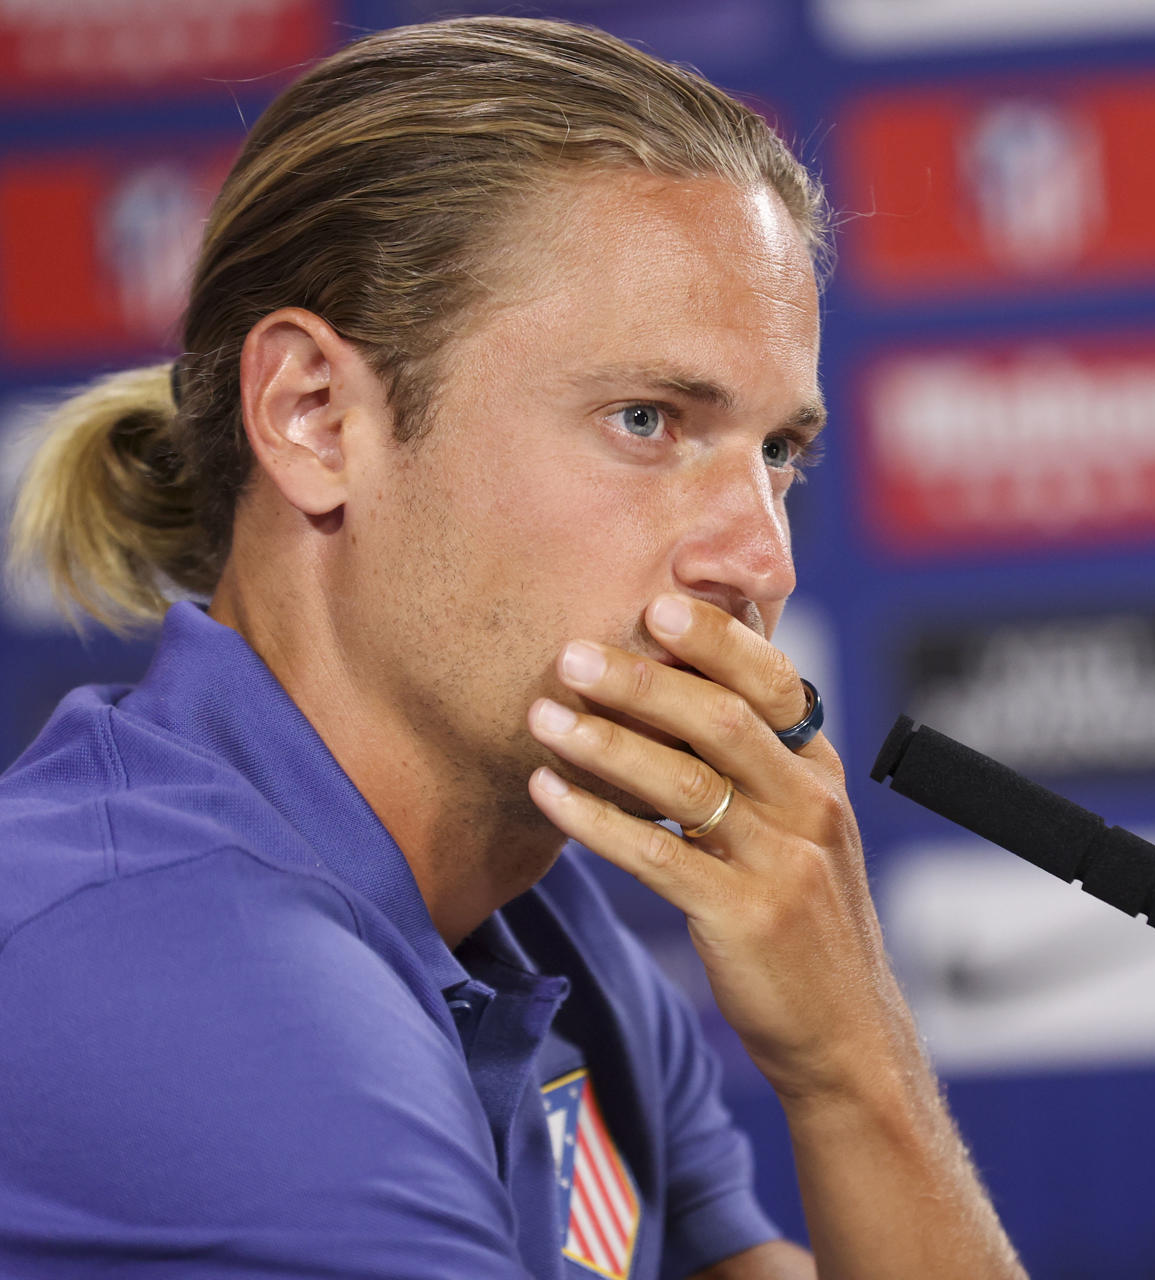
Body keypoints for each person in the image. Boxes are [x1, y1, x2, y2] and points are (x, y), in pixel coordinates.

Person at [0, 17, 1025, 1280]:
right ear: (314, 417)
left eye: (777, 453)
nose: (762, 562)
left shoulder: (546, 927)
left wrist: (852, 1062)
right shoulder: (178, 974)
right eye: (647, 419)